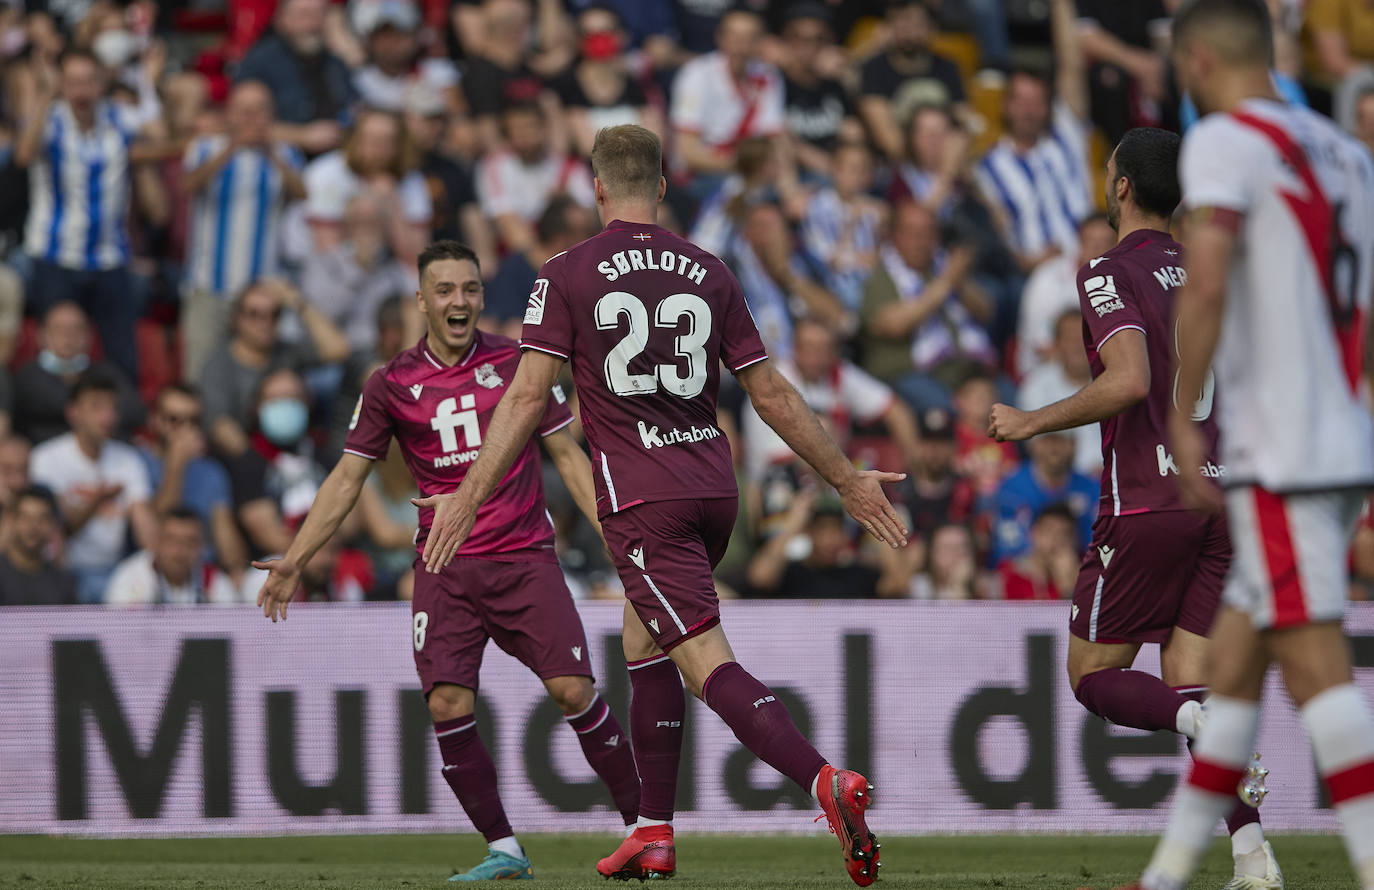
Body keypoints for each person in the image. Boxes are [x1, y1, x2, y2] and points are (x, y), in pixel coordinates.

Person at [414, 125, 906, 886]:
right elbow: (769, 391)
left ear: (597, 187)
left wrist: (465, 498)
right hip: (713, 490)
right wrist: (845, 477)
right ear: (665, 186)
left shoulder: (566, 272)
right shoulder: (710, 269)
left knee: (705, 661)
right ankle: (652, 831)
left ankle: (824, 783)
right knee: (643, 643)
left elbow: (524, 399)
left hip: (643, 499)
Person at [254, 241, 642, 881]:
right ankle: (505, 850)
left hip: (523, 558)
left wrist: (612, 536)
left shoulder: (521, 364)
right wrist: (297, 558)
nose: (457, 301)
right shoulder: (389, 383)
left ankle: (642, 828)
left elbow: (568, 457)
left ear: (482, 296)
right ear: (422, 300)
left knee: (573, 689)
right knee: (446, 705)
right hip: (444, 569)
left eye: (469, 288)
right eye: (444, 290)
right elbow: (349, 477)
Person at [987, 125, 1282, 888]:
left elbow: (1128, 380)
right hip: (1223, 497)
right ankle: (1253, 860)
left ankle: (1202, 727)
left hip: (1150, 498)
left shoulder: (1106, 271)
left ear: (1120, 188)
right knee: (1186, 671)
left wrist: (1029, 420)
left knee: (1093, 675)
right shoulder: (1215, 273)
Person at [1121, 3, 1374, 888]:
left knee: (1316, 670)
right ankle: (1196, 868)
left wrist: (1185, 414)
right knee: (1229, 666)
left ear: (1196, 58)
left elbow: (1211, 275)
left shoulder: (1227, 141)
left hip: (1284, 449)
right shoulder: (1346, 152)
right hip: (1341, 435)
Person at [14, 48, 161, 380]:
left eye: (88, 81)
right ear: (61, 84)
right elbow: (23, 155)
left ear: (102, 82)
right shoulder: (51, 119)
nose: (81, 91)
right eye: (72, 82)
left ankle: (120, 423)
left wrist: (146, 81)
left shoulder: (119, 116)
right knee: (56, 355)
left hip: (110, 256)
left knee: (121, 356)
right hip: (55, 256)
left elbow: (161, 135)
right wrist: (46, 95)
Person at [181, 80, 306, 382]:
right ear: (229, 114)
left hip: (261, 291)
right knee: (199, 374)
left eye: (260, 111)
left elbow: (301, 192)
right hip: (208, 284)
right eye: (244, 111)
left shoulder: (285, 154)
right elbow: (187, 186)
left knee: (257, 379)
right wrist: (231, 147)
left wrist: (271, 152)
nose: (252, 119)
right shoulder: (205, 147)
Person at [974, 0, 1092, 273]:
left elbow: (1071, 64)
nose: (1029, 110)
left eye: (1037, 102)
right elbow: (998, 238)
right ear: (1005, 105)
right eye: (1021, 101)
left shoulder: (1066, 138)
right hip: (1039, 275)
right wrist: (1027, 263)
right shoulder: (988, 168)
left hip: (1094, 263)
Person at [29, 369, 156, 604]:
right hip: (63, 571)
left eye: (112, 408)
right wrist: (97, 500)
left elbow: (144, 524)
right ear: (73, 412)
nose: (107, 417)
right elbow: (58, 528)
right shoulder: (46, 459)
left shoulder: (128, 459)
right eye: (96, 407)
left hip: (117, 571)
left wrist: (156, 566)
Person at [200, 278, 350, 458]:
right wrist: (258, 465)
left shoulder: (286, 351)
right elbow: (220, 426)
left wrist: (298, 302)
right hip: (246, 459)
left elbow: (338, 349)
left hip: (296, 452)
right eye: (254, 314)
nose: (265, 322)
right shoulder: (219, 364)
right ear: (236, 318)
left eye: (275, 314)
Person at [669, 8, 785, 188]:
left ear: (760, 42)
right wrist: (743, 167)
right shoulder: (696, 74)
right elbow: (688, 151)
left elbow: (774, 137)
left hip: (752, 173)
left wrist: (788, 187)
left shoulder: (769, 75)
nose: (741, 45)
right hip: (702, 175)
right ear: (720, 38)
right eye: (735, 36)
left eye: (750, 38)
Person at [140, 383, 246, 578]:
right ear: (154, 420)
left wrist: (236, 570)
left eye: (193, 421)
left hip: (202, 571)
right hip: (154, 571)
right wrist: (176, 463)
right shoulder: (138, 462)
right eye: (174, 420)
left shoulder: (212, 471)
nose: (186, 429)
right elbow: (156, 529)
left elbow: (227, 545)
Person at [11, 300, 143, 445]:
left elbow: (135, 411)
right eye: (60, 329)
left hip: (104, 454)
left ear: (89, 336)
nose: (68, 336)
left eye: (77, 329)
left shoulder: (106, 372)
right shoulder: (27, 375)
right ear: (42, 335)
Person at [235, 0, 356, 155]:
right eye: (304, 15)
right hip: (277, 154)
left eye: (319, 14)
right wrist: (301, 136)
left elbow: (354, 108)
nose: (313, 24)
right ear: (282, 20)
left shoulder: (335, 62)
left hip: (337, 154)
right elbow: (240, 125)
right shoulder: (259, 62)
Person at [858, 0, 966, 164]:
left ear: (932, 28)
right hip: (896, 166)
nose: (909, 31)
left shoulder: (948, 67)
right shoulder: (874, 68)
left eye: (917, 24)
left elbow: (962, 120)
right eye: (901, 22)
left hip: (945, 163)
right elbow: (885, 137)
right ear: (889, 27)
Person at [104, 508, 241, 605]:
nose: (179, 550)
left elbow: (233, 635)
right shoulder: (132, 577)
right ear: (156, 542)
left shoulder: (214, 581)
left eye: (190, 542)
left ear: (202, 547)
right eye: (171, 540)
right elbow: (119, 637)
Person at [0, 486, 77, 605]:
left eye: (42, 519)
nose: (33, 526)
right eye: (25, 518)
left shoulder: (63, 582)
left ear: (52, 525)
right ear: (12, 521)